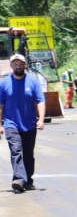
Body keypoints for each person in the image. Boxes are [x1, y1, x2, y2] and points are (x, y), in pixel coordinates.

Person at [0, 54, 46, 192]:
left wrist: (41, 119)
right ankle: (19, 179)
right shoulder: (4, 83)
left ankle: (27, 180)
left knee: (28, 153)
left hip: (30, 123)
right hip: (11, 123)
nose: (18, 66)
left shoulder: (33, 82)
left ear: (25, 65)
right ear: (11, 66)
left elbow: (40, 101)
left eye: (21, 64)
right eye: (15, 64)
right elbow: (0, 105)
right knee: (16, 150)